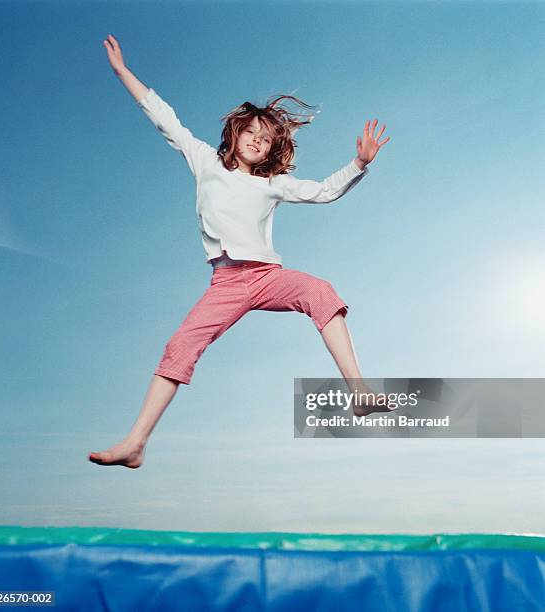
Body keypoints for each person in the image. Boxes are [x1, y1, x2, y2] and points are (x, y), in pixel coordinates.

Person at [89, 34, 393, 469]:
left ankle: (359, 392)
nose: (255, 140)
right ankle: (135, 444)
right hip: (227, 282)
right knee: (179, 347)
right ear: (234, 134)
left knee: (322, 292)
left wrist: (359, 164)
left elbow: (324, 191)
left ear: (273, 149)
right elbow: (164, 118)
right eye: (249, 131)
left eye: (265, 138)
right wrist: (123, 72)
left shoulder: (272, 183)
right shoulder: (204, 161)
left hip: (267, 276)